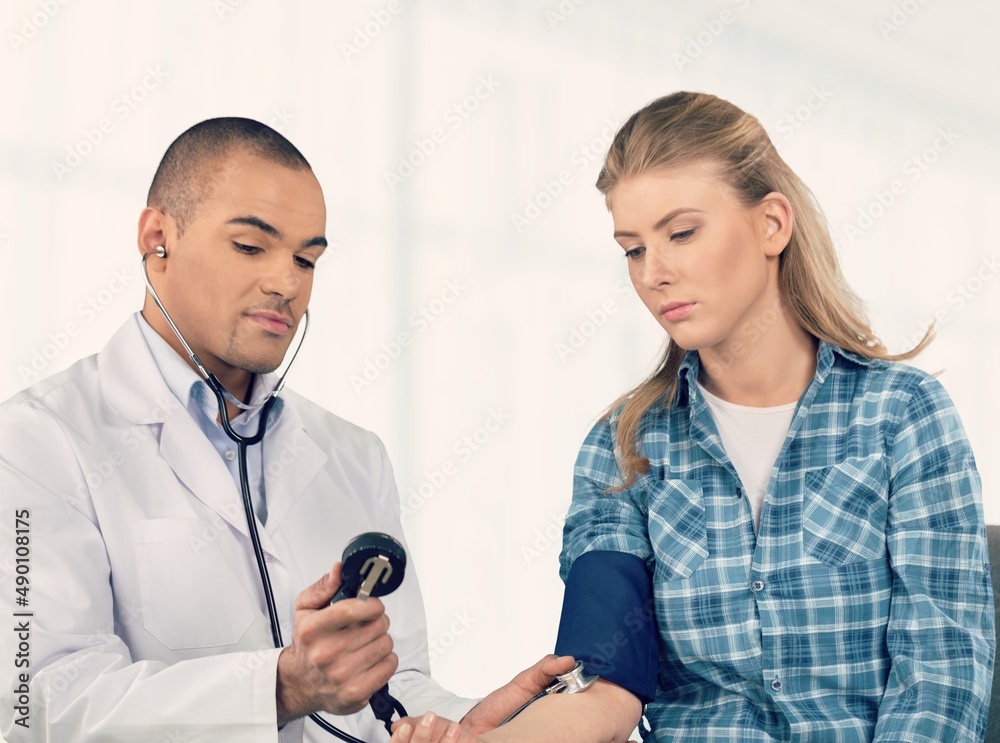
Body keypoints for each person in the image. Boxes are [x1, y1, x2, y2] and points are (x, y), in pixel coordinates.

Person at [390, 92, 995, 742]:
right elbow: (603, 681)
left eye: (681, 233)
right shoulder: (621, 447)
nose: (654, 273)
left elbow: (940, 683)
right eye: (632, 248)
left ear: (772, 224)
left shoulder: (902, 417)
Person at [0, 117, 571, 742]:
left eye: (307, 259)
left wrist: (473, 723)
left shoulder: (355, 456)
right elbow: (43, 704)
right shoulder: (36, 442)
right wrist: (282, 686)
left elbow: (389, 681)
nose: (287, 284)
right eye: (251, 247)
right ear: (157, 237)